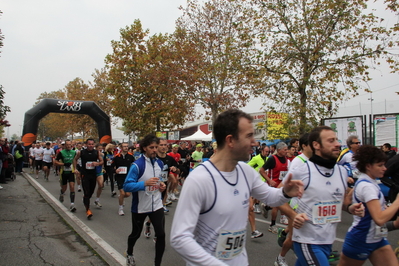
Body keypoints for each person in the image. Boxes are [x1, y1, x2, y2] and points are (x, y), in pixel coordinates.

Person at [170, 109, 306, 266]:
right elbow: (179, 237)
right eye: (249, 136)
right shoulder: (199, 180)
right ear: (230, 140)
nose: (255, 142)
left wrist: (285, 192)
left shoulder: (246, 172)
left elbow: (271, 197)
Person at [289, 126, 363, 266]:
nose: (337, 144)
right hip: (307, 241)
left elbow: (338, 200)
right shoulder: (302, 171)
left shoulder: (341, 172)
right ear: (316, 145)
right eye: (331, 141)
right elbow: (277, 197)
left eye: (336, 140)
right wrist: (293, 216)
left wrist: (350, 208)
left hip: (328, 241)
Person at [339, 145, 399, 266]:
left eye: (384, 164)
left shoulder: (367, 181)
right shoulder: (367, 186)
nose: (384, 168)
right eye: (380, 165)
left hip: (377, 238)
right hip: (361, 239)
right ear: (368, 166)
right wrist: (397, 202)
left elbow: (347, 199)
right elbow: (379, 218)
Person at [123, 134, 166, 266]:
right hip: (140, 207)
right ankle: (129, 253)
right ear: (144, 148)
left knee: (161, 235)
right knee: (135, 234)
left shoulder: (160, 163)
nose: (154, 150)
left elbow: (160, 181)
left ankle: (157, 264)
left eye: (156, 147)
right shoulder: (137, 165)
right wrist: (143, 184)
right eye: (151, 147)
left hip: (157, 205)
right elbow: (127, 186)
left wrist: (162, 186)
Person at [259, 142, 289, 232]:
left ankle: (267, 207)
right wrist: (269, 180)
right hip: (274, 185)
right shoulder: (272, 159)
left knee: (280, 203)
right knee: (277, 205)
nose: (286, 151)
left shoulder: (286, 159)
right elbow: (261, 170)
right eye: (285, 150)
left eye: (287, 149)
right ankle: (272, 225)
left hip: (282, 186)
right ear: (279, 150)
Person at [73, 138, 103, 219]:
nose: (91, 146)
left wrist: (97, 163)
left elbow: (102, 161)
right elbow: (75, 159)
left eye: (92, 144)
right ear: (86, 145)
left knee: (91, 192)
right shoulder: (81, 152)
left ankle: (86, 199)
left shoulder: (96, 152)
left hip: (93, 174)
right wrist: (75, 169)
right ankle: (88, 210)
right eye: (89, 144)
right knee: (86, 192)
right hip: (84, 174)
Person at [112, 142, 135, 216]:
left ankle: (121, 198)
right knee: (122, 193)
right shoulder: (116, 157)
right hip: (120, 177)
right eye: (124, 146)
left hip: (128, 177)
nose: (126, 148)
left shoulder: (131, 156)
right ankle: (121, 209)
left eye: (127, 146)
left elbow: (135, 165)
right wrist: (115, 170)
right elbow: (111, 167)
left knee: (127, 194)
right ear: (121, 148)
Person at [54, 140, 77, 212]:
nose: (68, 146)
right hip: (64, 172)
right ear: (64, 145)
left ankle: (72, 204)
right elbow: (55, 162)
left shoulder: (74, 152)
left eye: (70, 144)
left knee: (72, 187)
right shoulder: (61, 153)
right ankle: (62, 193)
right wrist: (63, 164)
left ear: (71, 145)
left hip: (71, 172)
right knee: (64, 188)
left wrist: (75, 169)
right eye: (67, 144)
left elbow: (74, 160)